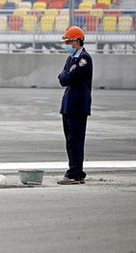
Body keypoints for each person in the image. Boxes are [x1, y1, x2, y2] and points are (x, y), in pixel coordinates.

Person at [57, 26, 93, 185]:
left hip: (78, 105)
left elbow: (71, 77)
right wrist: (67, 73)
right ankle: (76, 171)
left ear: (77, 41)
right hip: (69, 105)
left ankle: (74, 173)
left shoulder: (84, 59)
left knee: (75, 140)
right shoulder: (71, 59)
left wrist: (67, 74)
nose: (67, 44)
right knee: (70, 140)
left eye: (69, 41)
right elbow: (63, 78)